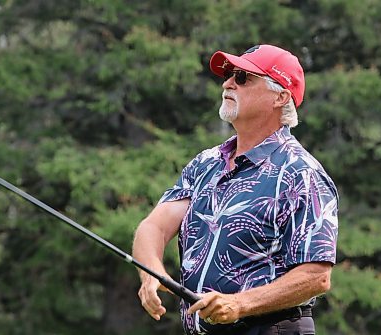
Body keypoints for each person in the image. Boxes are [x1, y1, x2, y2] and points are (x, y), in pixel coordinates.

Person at [132, 44, 339, 335]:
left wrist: (240, 304)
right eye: (229, 75)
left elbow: (316, 276)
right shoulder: (205, 163)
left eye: (242, 78)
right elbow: (153, 227)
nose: (228, 83)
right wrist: (151, 275)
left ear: (280, 97)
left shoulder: (301, 173)